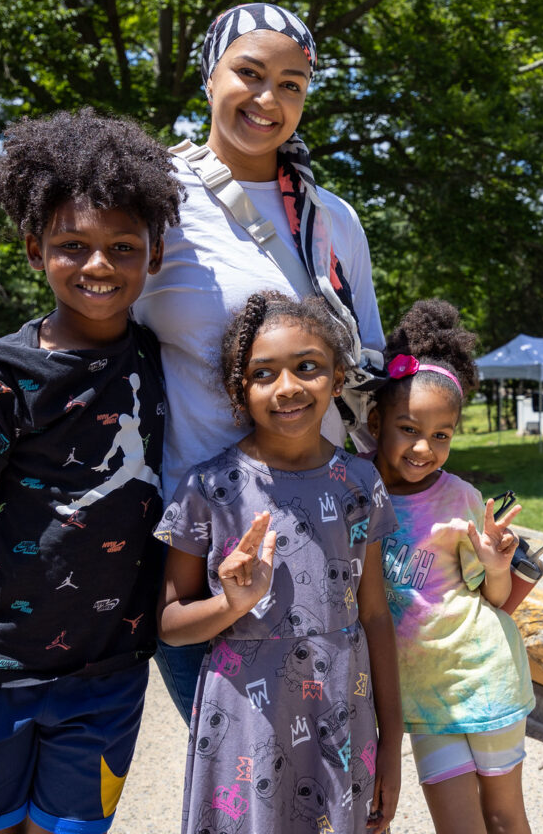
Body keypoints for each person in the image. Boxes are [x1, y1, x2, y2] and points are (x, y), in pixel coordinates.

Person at [0, 2, 384, 721]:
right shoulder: (154, 195)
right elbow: (86, 303)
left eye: (292, 83)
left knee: (323, 761)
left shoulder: (333, 221)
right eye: (249, 73)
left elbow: (368, 378)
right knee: (239, 765)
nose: (269, 99)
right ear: (209, 76)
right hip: (194, 542)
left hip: (317, 529)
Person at [0, 110, 183, 833]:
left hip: (110, 678)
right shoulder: (0, 377)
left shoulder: (166, 361)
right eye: (72, 245)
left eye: (123, 246)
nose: (99, 265)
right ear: (34, 250)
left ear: (153, 255)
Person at [153, 290, 401, 834]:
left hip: (342, 712)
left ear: (337, 380)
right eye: (263, 374)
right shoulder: (208, 488)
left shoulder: (362, 484)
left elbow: (376, 615)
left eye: (307, 367)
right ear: (239, 392)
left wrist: (391, 748)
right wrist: (232, 604)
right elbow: (169, 627)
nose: (287, 387)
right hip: (245, 721)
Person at [367, 299, 536, 834]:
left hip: (485, 676)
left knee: (504, 818)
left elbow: (491, 596)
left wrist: (496, 564)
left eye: (442, 435)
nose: (424, 447)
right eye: (409, 428)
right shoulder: (353, 491)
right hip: (422, 698)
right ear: (376, 422)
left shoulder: (460, 496)